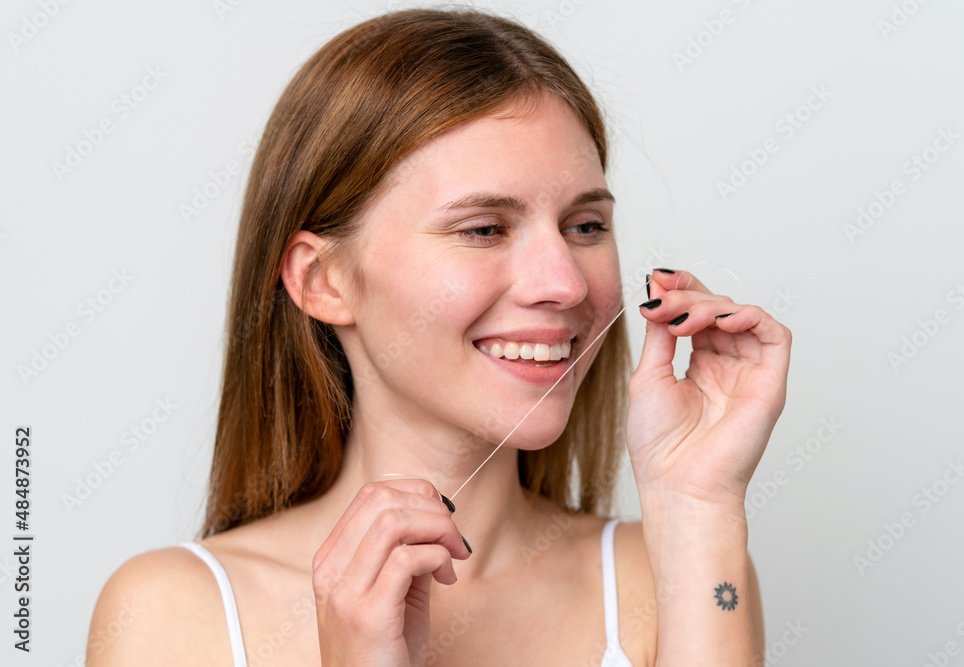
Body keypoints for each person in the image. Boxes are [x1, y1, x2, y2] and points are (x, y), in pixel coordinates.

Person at [87, 7, 790, 666]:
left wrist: (699, 503)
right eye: (483, 228)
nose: (567, 284)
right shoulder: (173, 615)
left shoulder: (676, 569)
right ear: (323, 280)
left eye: (585, 227)